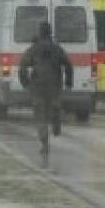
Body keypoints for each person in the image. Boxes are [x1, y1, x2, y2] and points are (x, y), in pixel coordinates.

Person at [18, 21, 74, 160]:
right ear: (50, 33)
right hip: (54, 85)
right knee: (54, 105)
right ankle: (56, 117)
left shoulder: (34, 49)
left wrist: (25, 83)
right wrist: (68, 82)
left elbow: (23, 66)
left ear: (40, 32)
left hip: (38, 87)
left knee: (40, 116)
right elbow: (68, 65)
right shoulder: (57, 49)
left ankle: (44, 143)